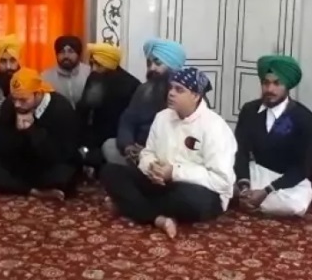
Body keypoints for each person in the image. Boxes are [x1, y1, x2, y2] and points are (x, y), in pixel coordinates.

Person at [100, 67, 236, 239]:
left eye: (179, 90)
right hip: (160, 184)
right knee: (110, 172)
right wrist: (151, 167)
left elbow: (221, 180)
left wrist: (174, 173)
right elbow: (148, 153)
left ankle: (128, 206)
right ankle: (157, 218)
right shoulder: (162, 117)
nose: (171, 93)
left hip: (197, 191)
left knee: (191, 200)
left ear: (195, 96)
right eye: (171, 88)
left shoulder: (214, 127)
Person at [0, 68, 82, 200]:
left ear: (38, 94)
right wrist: (17, 133)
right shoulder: (10, 105)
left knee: (65, 175)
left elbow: (63, 154)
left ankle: (10, 186)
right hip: (18, 165)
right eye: (14, 99)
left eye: (23, 100)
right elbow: (1, 148)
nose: (17, 104)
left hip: (47, 167)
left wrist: (32, 131)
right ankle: (34, 191)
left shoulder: (61, 109)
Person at [234, 55, 312, 217]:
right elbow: (240, 151)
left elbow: (303, 168)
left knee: (294, 205)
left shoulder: (304, 118)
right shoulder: (250, 110)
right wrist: (244, 187)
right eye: (266, 83)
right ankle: (247, 198)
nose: (270, 89)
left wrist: (266, 191)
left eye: (277, 83)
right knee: (219, 183)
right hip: (256, 172)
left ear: (287, 86)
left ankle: (248, 201)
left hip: (287, 181)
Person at [103, 38, 187, 166]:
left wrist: (149, 152)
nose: (152, 68)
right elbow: (128, 120)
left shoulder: (189, 94)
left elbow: (185, 136)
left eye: (158, 63)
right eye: (149, 63)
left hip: (169, 154)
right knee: (109, 146)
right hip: (139, 148)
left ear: (173, 66)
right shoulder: (144, 89)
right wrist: (128, 146)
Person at [76, 43, 140, 170]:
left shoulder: (131, 85)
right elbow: (84, 110)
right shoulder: (95, 77)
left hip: (117, 143)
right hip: (93, 139)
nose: (93, 68)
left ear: (109, 65)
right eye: (92, 64)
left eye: (98, 65)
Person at [42, 35, 91, 108]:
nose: (66, 56)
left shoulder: (89, 73)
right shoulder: (46, 77)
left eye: (71, 51)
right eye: (62, 52)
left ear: (79, 54)